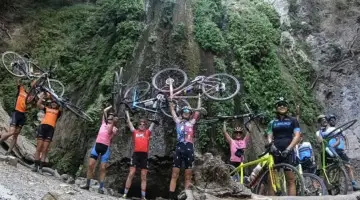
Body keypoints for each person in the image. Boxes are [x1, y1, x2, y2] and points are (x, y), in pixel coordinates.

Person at [266, 97, 301, 196]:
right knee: (271, 179)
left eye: (284, 104)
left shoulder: (293, 120)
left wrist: (289, 149)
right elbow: (269, 136)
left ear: (287, 107)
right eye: (280, 104)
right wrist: (271, 145)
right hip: (274, 150)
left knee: (290, 179)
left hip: (288, 151)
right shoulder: (272, 122)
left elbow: (297, 136)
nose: (282, 106)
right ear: (276, 107)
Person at [168, 96, 201, 200]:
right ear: (181, 113)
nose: (186, 112)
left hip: (189, 148)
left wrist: (200, 97)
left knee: (188, 176)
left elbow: (198, 111)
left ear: (190, 114)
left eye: (188, 111)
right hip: (179, 148)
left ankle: (188, 197)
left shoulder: (191, 123)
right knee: (175, 174)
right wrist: (170, 102)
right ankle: (170, 197)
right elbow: (172, 110)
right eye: (184, 111)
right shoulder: (178, 121)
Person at [80, 105, 119, 194]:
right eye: (109, 118)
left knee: (102, 168)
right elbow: (105, 111)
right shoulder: (103, 123)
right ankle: (87, 184)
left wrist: (113, 122)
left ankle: (101, 188)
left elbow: (110, 132)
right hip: (97, 146)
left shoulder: (114, 128)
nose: (110, 119)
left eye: (111, 118)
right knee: (90, 165)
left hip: (105, 148)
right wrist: (112, 106)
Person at [316, 115, 360, 190]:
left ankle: (353, 183)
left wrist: (334, 146)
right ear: (319, 122)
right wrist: (326, 144)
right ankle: (326, 187)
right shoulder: (318, 132)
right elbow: (320, 142)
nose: (324, 121)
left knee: (348, 166)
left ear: (327, 121)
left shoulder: (334, 129)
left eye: (324, 119)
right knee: (325, 170)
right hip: (326, 151)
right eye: (321, 120)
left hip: (337, 150)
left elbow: (339, 140)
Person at [122, 111, 155, 200]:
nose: (142, 125)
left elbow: (153, 123)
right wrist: (127, 114)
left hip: (144, 156)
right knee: (131, 173)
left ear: (145, 126)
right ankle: (125, 194)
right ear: (138, 125)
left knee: (143, 176)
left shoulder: (147, 132)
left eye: (144, 124)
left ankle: (143, 196)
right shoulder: (135, 132)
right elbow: (129, 123)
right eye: (140, 124)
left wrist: (156, 114)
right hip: (136, 155)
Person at [33, 92, 62, 173]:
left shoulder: (58, 112)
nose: (53, 104)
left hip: (50, 130)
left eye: (55, 103)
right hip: (42, 128)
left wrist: (59, 100)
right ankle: (35, 165)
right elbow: (38, 104)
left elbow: (62, 106)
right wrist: (42, 96)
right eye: (52, 103)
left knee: (45, 149)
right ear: (50, 104)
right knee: (39, 147)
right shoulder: (47, 109)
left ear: (57, 105)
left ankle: (41, 167)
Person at [0, 79, 28, 156]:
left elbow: (33, 105)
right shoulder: (21, 89)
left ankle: (8, 152)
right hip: (16, 113)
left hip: (23, 116)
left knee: (15, 135)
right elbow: (18, 80)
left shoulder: (31, 96)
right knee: (11, 132)